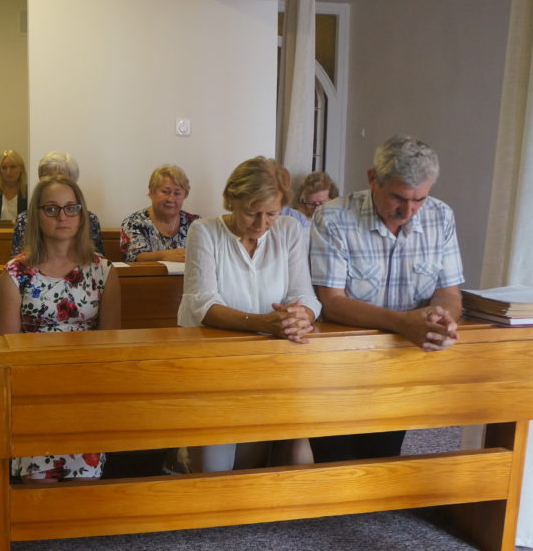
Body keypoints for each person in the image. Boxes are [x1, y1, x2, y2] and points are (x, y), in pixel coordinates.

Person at [309, 135, 463, 463]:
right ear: (372, 179)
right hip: (340, 364)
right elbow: (332, 303)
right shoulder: (333, 218)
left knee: (383, 459)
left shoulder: (440, 216)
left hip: (401, 363)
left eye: (419, 199)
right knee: (334, 464)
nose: (408, 211)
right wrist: (403, 323)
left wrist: (443, 317)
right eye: (398, 197)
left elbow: (448, 291)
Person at [176, 157, 320, 472]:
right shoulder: (205, 231)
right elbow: (203, 305)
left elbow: (306, 296)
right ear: (232, 200)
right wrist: (262, 323)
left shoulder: (289, 229)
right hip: (216, 368)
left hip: (273, 366)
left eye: (271, 213)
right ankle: (184, 456)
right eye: (252, 212)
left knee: (296, 444)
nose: (261, 223)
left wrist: (300, 315)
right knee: (215, 472)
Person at [0, 175, 120, 482]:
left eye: (71, 208)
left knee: (84, 482)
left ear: (81, 214)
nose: (62, 216)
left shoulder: (103, 271)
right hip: (34, 384)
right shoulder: (15, 272)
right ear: (37, 216)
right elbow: (8, 351)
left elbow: (110, 345)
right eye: (51, 209)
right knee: (38, 484)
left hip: (86, 382)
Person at [10, 152, 105, 257]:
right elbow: (19, 257)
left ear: (72, 181)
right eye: (47, 176)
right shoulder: (24, 219)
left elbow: (96, 255)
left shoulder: (89, 218)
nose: (54, 182)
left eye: (60, 177)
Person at [120, 165, 199, 262]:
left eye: (177, 193)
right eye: (165, 192)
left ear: (185, 195)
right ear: (151, 192)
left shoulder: (196, 224)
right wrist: (164, 256)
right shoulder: (134, 223)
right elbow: (133, 258)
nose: (171, 199)